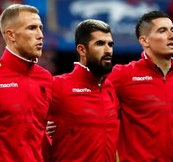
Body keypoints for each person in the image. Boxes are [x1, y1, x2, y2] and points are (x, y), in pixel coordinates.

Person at [107, 10, 173, 161]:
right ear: (144, 41)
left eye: (172, 30)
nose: (172, 36)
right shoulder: (123, 75)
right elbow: (88, 97)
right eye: (162, 31)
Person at [0, 4, 52, 162]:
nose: (40, 35)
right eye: (32, 28)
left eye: (40, 28)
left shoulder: (46, 78)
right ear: (11, 35)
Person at [47, 19, 119, 161]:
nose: (108, 50)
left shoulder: (110, 88)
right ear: (82, 49)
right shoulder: (58, 85)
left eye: (110, 44)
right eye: (100, 44)